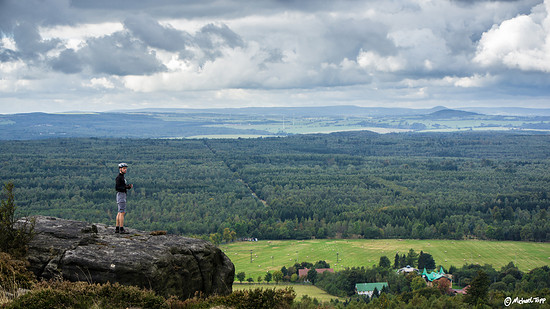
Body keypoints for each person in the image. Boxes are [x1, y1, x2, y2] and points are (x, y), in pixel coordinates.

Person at [115, 163, 133, 234]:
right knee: (122, 212)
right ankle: (121, 229)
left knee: (119, 212)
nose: (125, 170)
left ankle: (117, 228)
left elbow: (122, 186)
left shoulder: (122, 177)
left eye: (126, 168)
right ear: (120, 169)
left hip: (121, 195)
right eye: (124, 168)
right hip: (121, 195)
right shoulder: (119, 177)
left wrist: (127, 186)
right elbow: (117, 188)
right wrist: (126, 187)